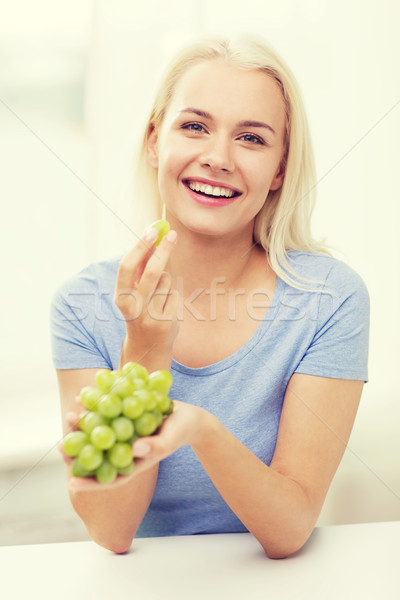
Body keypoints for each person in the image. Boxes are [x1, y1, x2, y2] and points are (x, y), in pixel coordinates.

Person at [51, 35, 369, 559]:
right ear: (155, 142)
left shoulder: (330, 300)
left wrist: (201, 429)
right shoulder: (81, 305)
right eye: (195, 126)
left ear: (280, 170)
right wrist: (147, 347)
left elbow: (289, 530)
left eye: (251, 138)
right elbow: (111, 530)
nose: (218, 157)